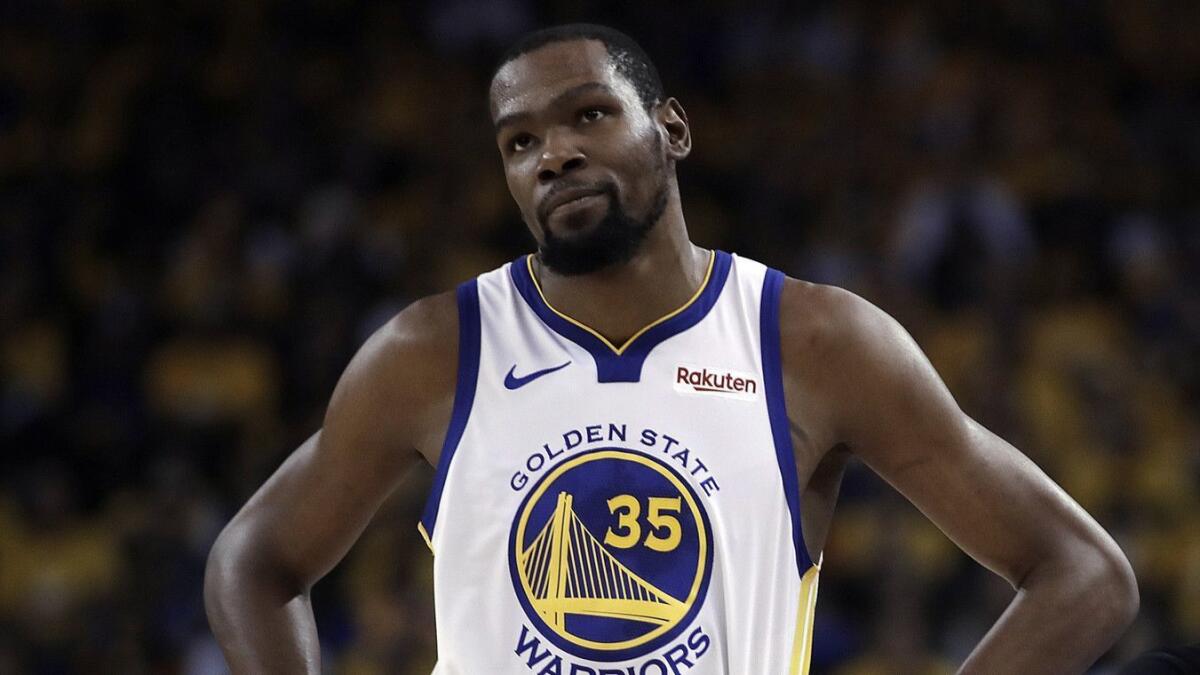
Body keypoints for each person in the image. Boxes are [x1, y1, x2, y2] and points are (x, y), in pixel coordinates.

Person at [203, 23, 1139, 675]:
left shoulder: (814, 340)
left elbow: (1085, 574)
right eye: (519, 140)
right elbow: (252, 559)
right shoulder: (432, 350)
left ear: (674, 129)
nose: (553, 154)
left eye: (588, 116)